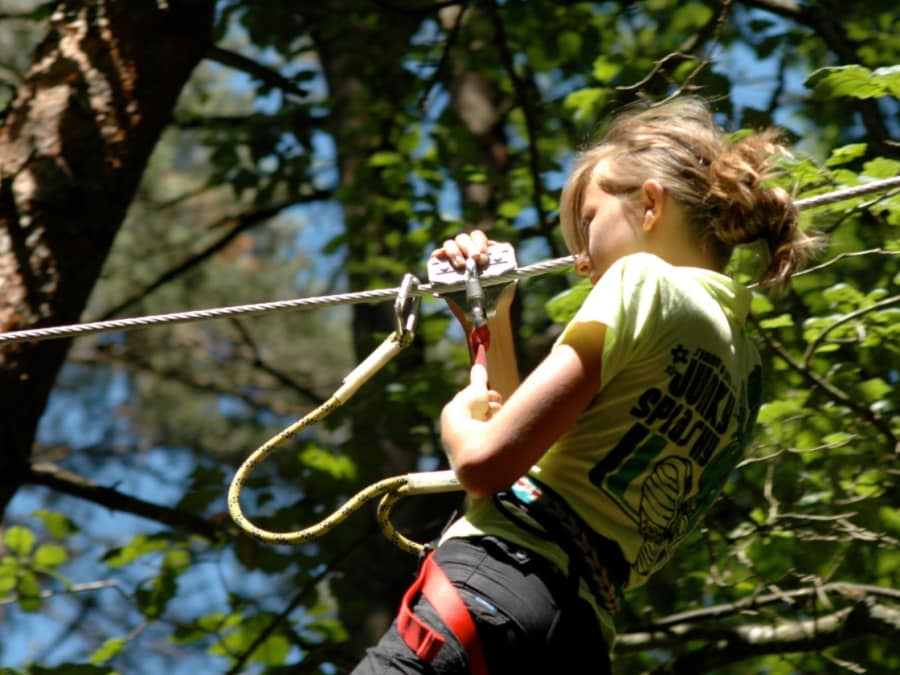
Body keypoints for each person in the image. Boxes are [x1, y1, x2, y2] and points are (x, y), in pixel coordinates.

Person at [352, 97, 818, 674]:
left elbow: (485, 466)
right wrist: (490, 320)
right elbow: (549, 463)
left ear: (650, 204)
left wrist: (457, 423)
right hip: (576, 637)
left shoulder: (641, 281)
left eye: (589, 223)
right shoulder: (746, 366)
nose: (579, 261)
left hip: (488, 588)